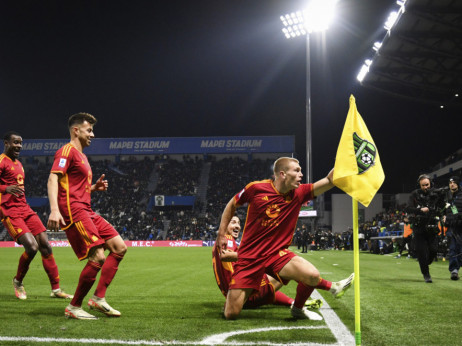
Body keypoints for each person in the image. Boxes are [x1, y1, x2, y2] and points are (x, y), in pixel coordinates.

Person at [216, 157, 354, 320]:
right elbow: (232, 204)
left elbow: (329, 181)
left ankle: (297, 309)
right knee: (231, 314)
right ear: (282, 174)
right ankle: (248, 292)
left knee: (312, 275)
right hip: (249, 257)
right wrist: (221, 233)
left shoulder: (300, 193)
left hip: (276, 255)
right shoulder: (256, 188)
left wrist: (348, 161)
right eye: (297, 170)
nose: (301, 174)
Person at [47, 113, 127, 320]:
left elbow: (73, 186)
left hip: (87, 208)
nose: (92, 134)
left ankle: (98, 299)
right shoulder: (67, 151)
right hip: (74, 210)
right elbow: (53, 179)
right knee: (98, 256)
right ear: (76, 130)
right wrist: (54, 210)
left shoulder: (82, 156)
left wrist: (92, 188)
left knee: (119, 247)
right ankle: (74, 307)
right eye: (89, 130)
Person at [0, 131, 73, 300]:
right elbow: (6, 188)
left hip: (25, 209)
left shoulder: (18, 163)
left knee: (46, 246)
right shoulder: (1, 161)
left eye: (20, 142)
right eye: (15, 142)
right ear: (6, 143)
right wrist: (5, 189)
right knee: (32, 247)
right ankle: (18, 281)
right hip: (10, 212)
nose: (19, 145)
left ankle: (56, 290)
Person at [213, 215, 322, 311]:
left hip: (235, 296)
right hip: (241, 294)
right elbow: (227, 255)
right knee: (284, 264)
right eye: (233, 222)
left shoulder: (220, 243)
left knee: (271, 276)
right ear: (223, 226)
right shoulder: (228, 239)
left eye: (239, 223)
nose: (237, 226)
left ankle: (292, 302)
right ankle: (327, 285)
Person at [405, 174, 445, 283]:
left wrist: (444, 213)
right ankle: (426, 274)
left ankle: (426, 263)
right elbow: (408, 208)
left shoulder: (436, 193)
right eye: (423, 185)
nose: (425, 187)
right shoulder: (414, 194)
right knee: (421, 252)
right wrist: (420, 210)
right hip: (419, 228)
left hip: (432, 226)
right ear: (419, 185)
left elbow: (443, 206)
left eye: (427, 184)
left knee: (434, 250)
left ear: (430, 183)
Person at [445, 176, 462, 281]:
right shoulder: (446, 196)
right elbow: (444, 209)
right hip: (451, 226)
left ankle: (456, 267)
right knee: (452, 248)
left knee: (460, 249)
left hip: (461, 225)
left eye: (454, 183)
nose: (452, 184)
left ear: (458, 184)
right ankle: (454, 270)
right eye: (450, 182)